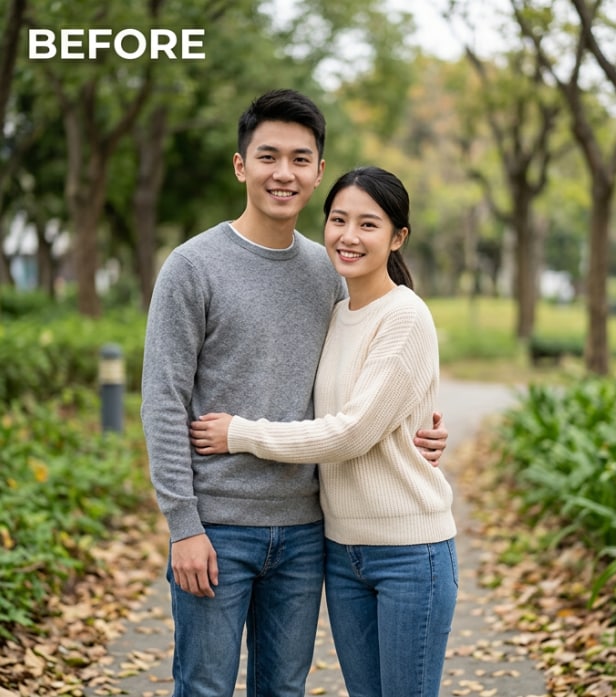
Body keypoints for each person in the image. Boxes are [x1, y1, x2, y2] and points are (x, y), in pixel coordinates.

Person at [140, 90, 448, 697]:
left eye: (299, 159)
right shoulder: (191, 266)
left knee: (283, 689)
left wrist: (421, 430)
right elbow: (163, 401)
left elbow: (366, 393)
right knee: (203, 686)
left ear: (318, 172)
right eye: (268, 156)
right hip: (218, 526)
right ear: (240, 165)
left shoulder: (330, 273)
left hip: (308, 531)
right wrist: (182, 525)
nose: (284, 173)